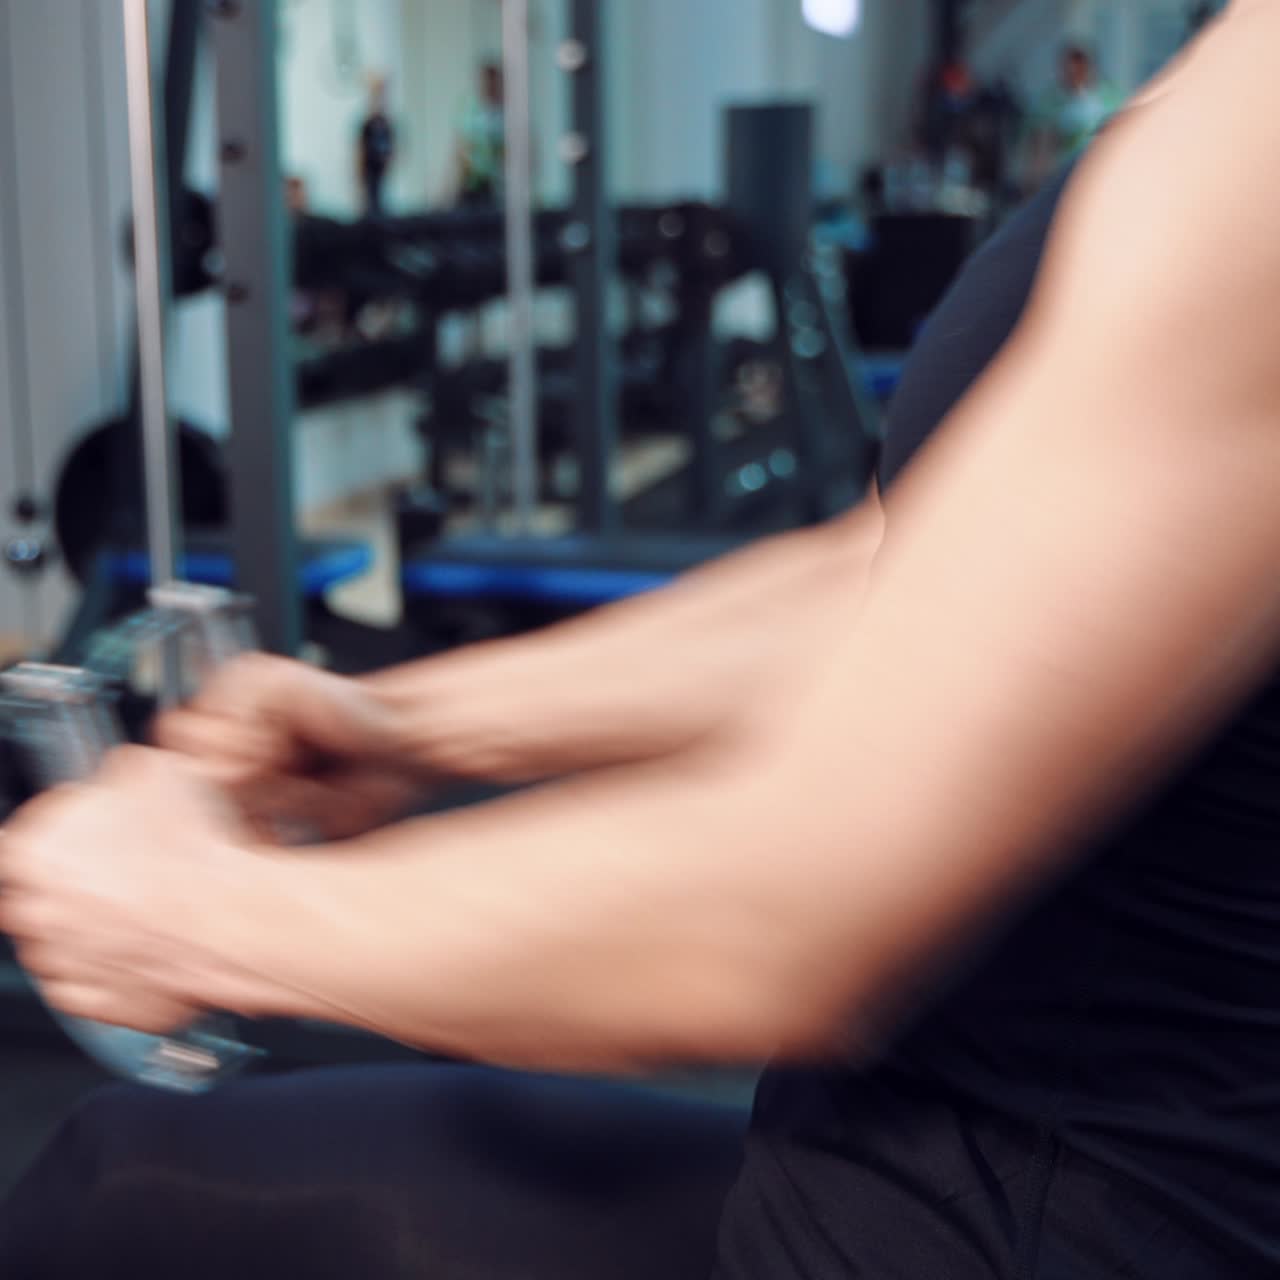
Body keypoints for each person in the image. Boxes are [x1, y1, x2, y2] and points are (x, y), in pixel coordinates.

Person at [4, 2, 1280, 1275]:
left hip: (1030, 1221)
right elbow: (899, 575)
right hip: (910, 1160)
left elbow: (780, 912)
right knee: (117, 1174)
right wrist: (412, 724)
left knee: (119, 1194)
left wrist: (192, 909)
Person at [1025, 42, 1123, 192]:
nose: (1074, 74)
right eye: (1070, 70)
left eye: (1079, 69)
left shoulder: (1110, 98)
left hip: (1100, 172)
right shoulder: (1050, 102)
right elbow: (1040, 144)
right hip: (1064, 177)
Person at [453, 61, 506, 206]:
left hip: (497, 186)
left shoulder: (507, 116)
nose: (487, 88)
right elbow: (460, 149)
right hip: (470, 185)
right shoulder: (470, 113)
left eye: (492, 83)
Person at [357, 74, 396, 217]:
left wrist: (390, 159)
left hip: (382, 171)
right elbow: (360, 151)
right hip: (369, 171)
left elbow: (393, 147)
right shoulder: (367, 124)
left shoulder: (386, 123)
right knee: (370, 204)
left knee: (381, 203)